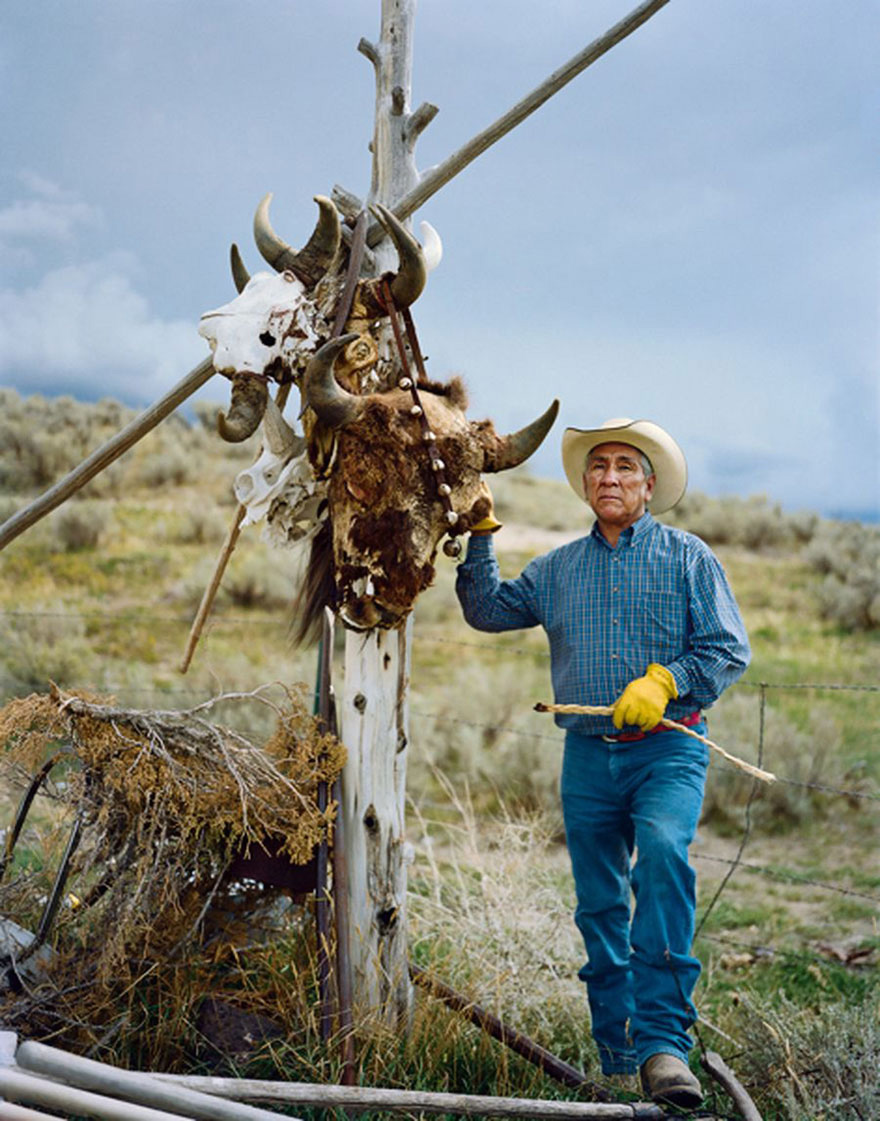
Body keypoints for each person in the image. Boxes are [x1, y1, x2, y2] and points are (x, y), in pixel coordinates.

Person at [455, 417, 750, 1109]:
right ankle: (616, 1052)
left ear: (649, 486)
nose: (609, 477)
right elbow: (487, 610)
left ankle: (663, 1045)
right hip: (586, 756)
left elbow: (726, 649)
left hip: (670, 748)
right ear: (586, 483)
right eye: (598, 467)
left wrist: (665, 682)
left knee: (665, 856)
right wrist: (479, 535)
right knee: (599, 903)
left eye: (624, 467)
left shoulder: (688, 558)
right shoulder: (558, 569)